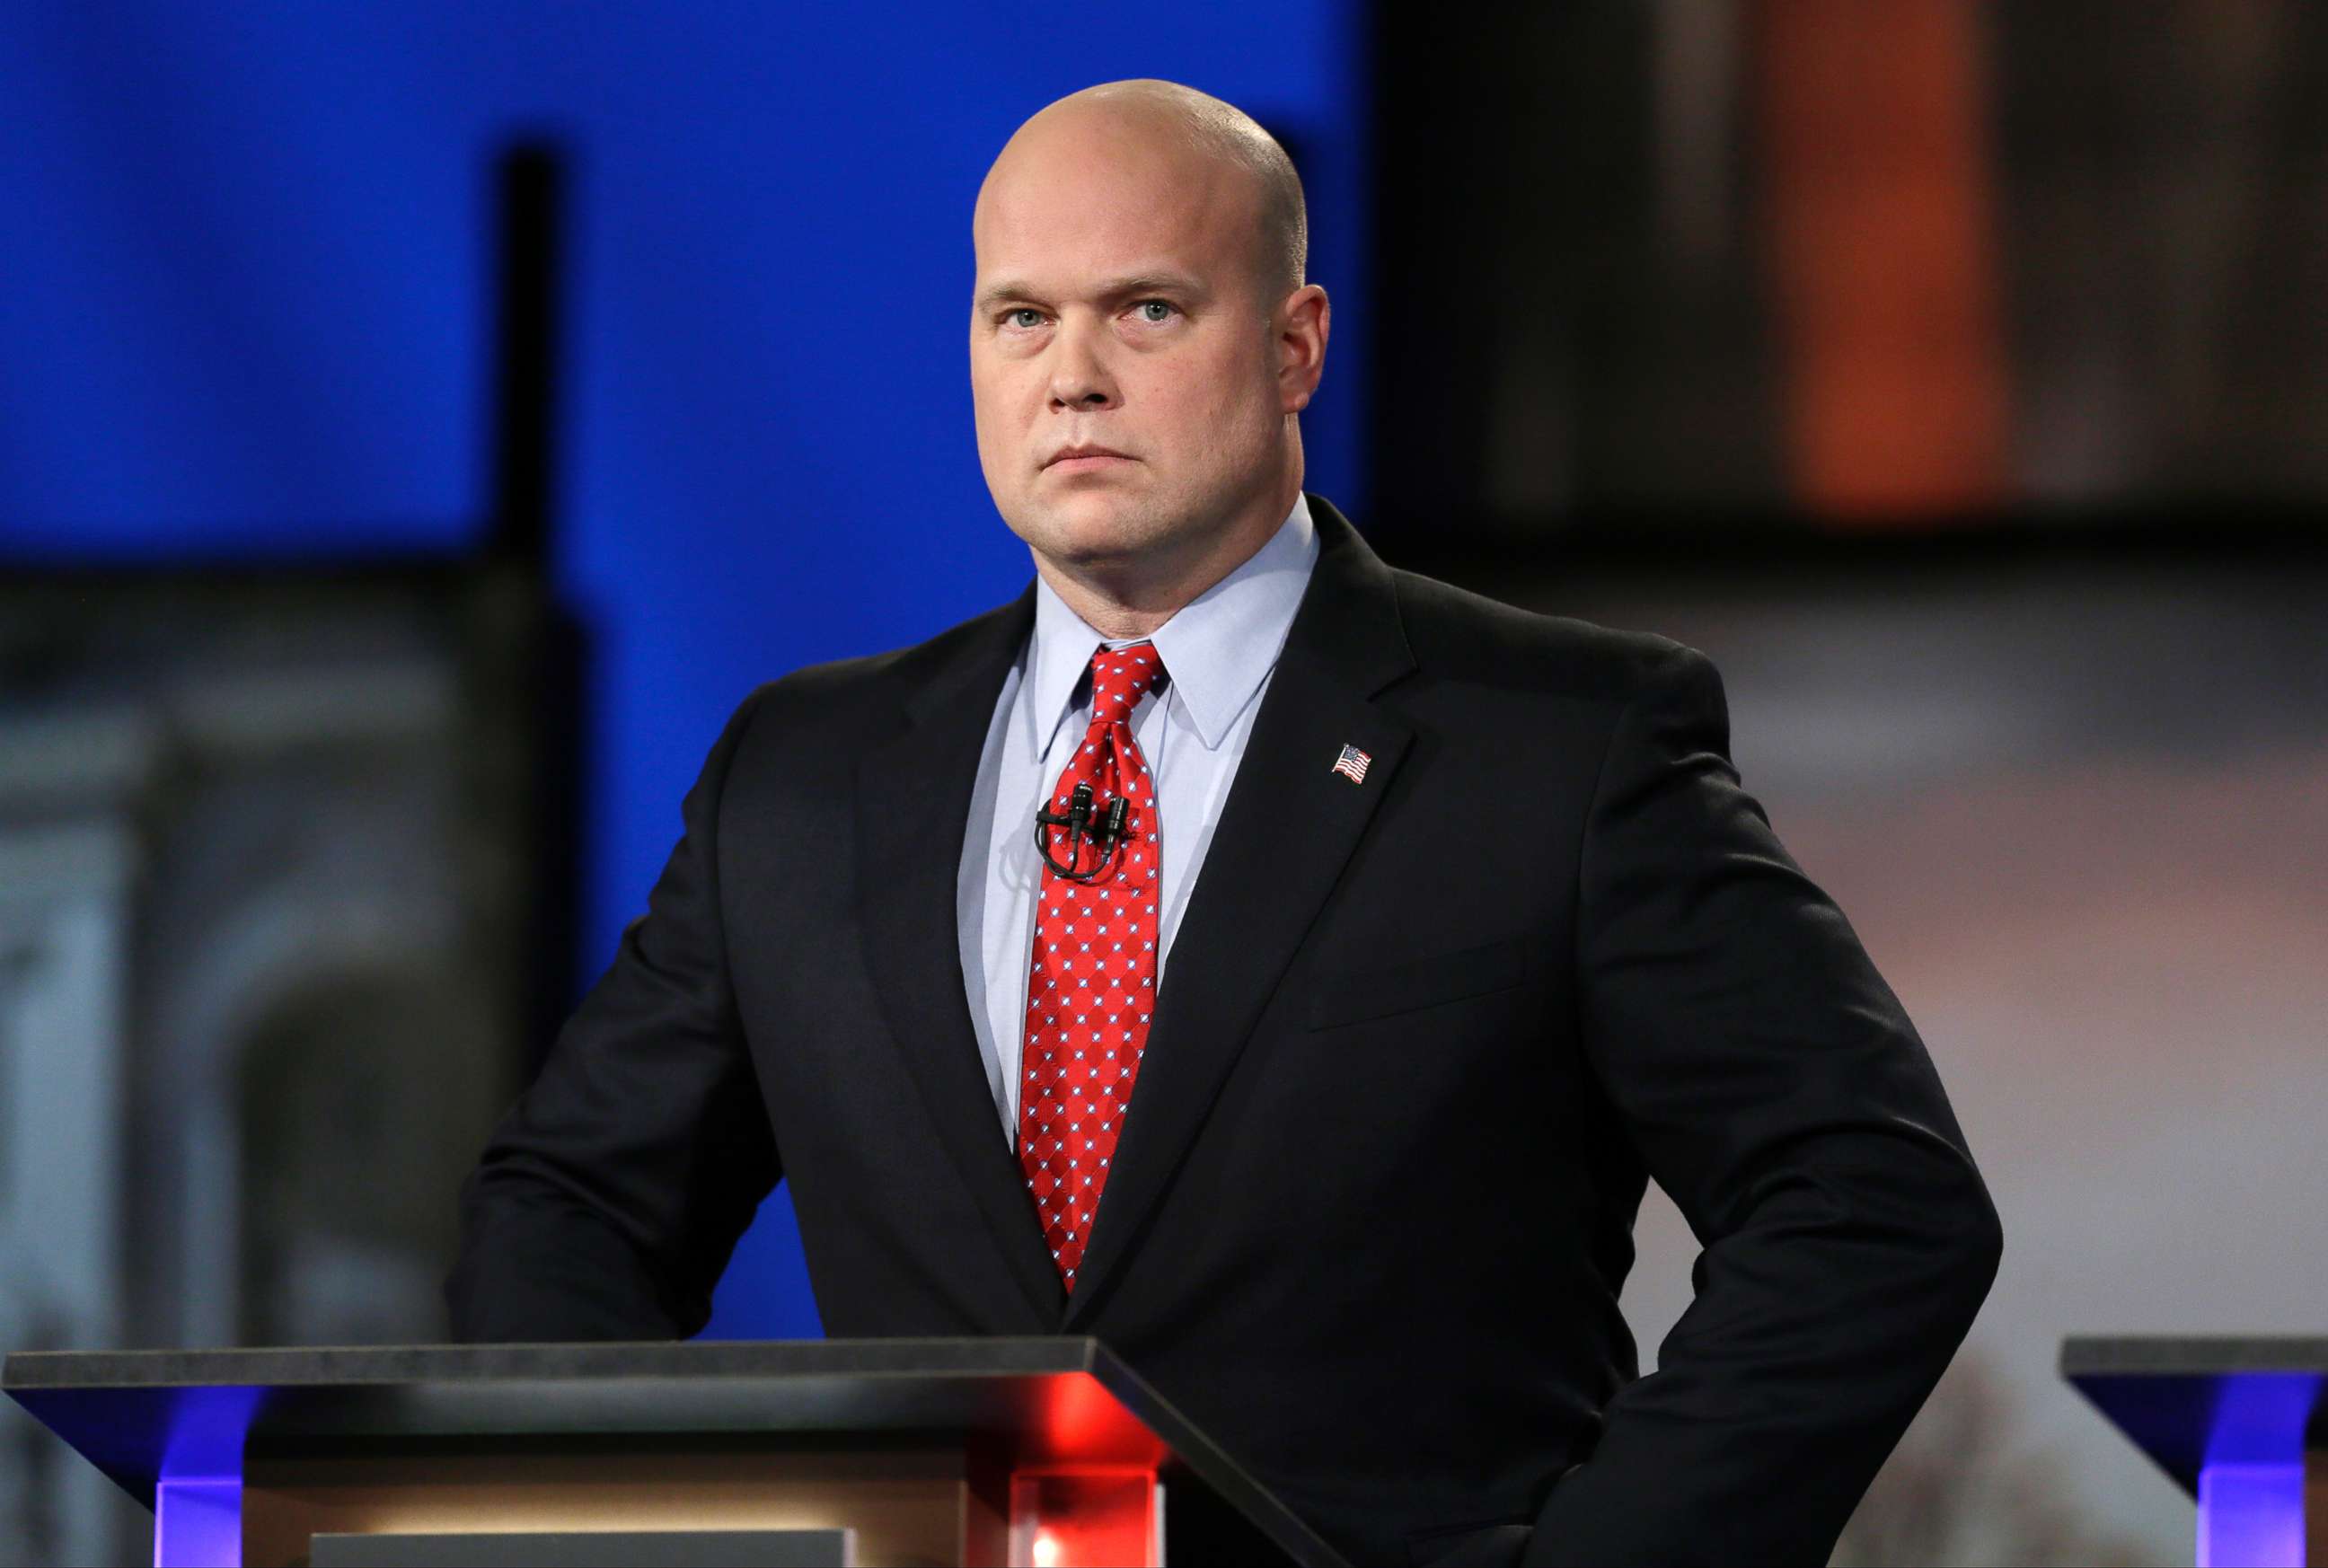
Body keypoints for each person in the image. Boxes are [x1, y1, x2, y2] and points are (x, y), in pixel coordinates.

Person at [448, 79, 2002, 1567]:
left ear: (1295, 346)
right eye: (1020, 318)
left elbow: (1872, 1200)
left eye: (1146, 310)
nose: (1073, 376)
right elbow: (570, 1209)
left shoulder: (1561, 746)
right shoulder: (801, 777)